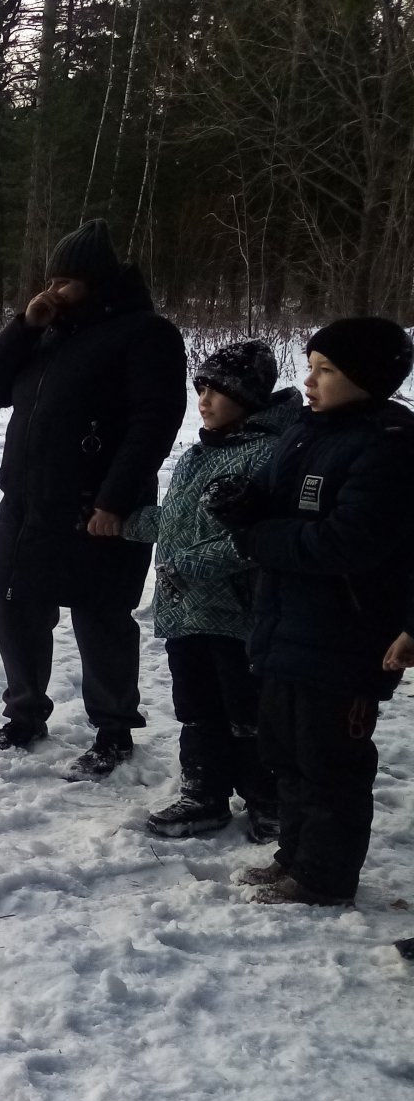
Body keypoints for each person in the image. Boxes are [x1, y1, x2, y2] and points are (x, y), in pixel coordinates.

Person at [208, 317, 414, 905]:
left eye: (327, 370)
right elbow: (284, 501)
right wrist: (247, 503)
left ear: (368, 378)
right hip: (286, 622)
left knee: (330, 761)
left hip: (348, 633)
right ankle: (294, 857)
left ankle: (324, 877)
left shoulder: (390, 442)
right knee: (287, 752)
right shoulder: (308, 428)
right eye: (311, 366)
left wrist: (256, 536)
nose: (310, 380)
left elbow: (346, 542)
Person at [0, 218, 187, 778]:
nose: (54, 292)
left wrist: (115, 501)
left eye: (67, 282)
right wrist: (23, 324)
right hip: (28, 501)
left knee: (102, 618)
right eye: (51, 280)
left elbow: (153, 423)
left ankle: (113, 728)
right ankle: (24, 715)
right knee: (15, 608)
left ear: (98, 283)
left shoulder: (146, 334)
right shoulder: (48, 331)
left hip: (98, 504)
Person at [122, 340, 297, 839]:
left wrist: (191, 565)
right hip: (187, 612)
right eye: (201, 386)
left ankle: (267, 798)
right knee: (196, 707)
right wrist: (125, 524)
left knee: (246, 709)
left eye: (218, 390)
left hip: (236, 614)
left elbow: (256, 539)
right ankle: (204, 794)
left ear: (249, 397)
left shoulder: (268, 456)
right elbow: (180, 521)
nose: (204, 398)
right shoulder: (201, 452)